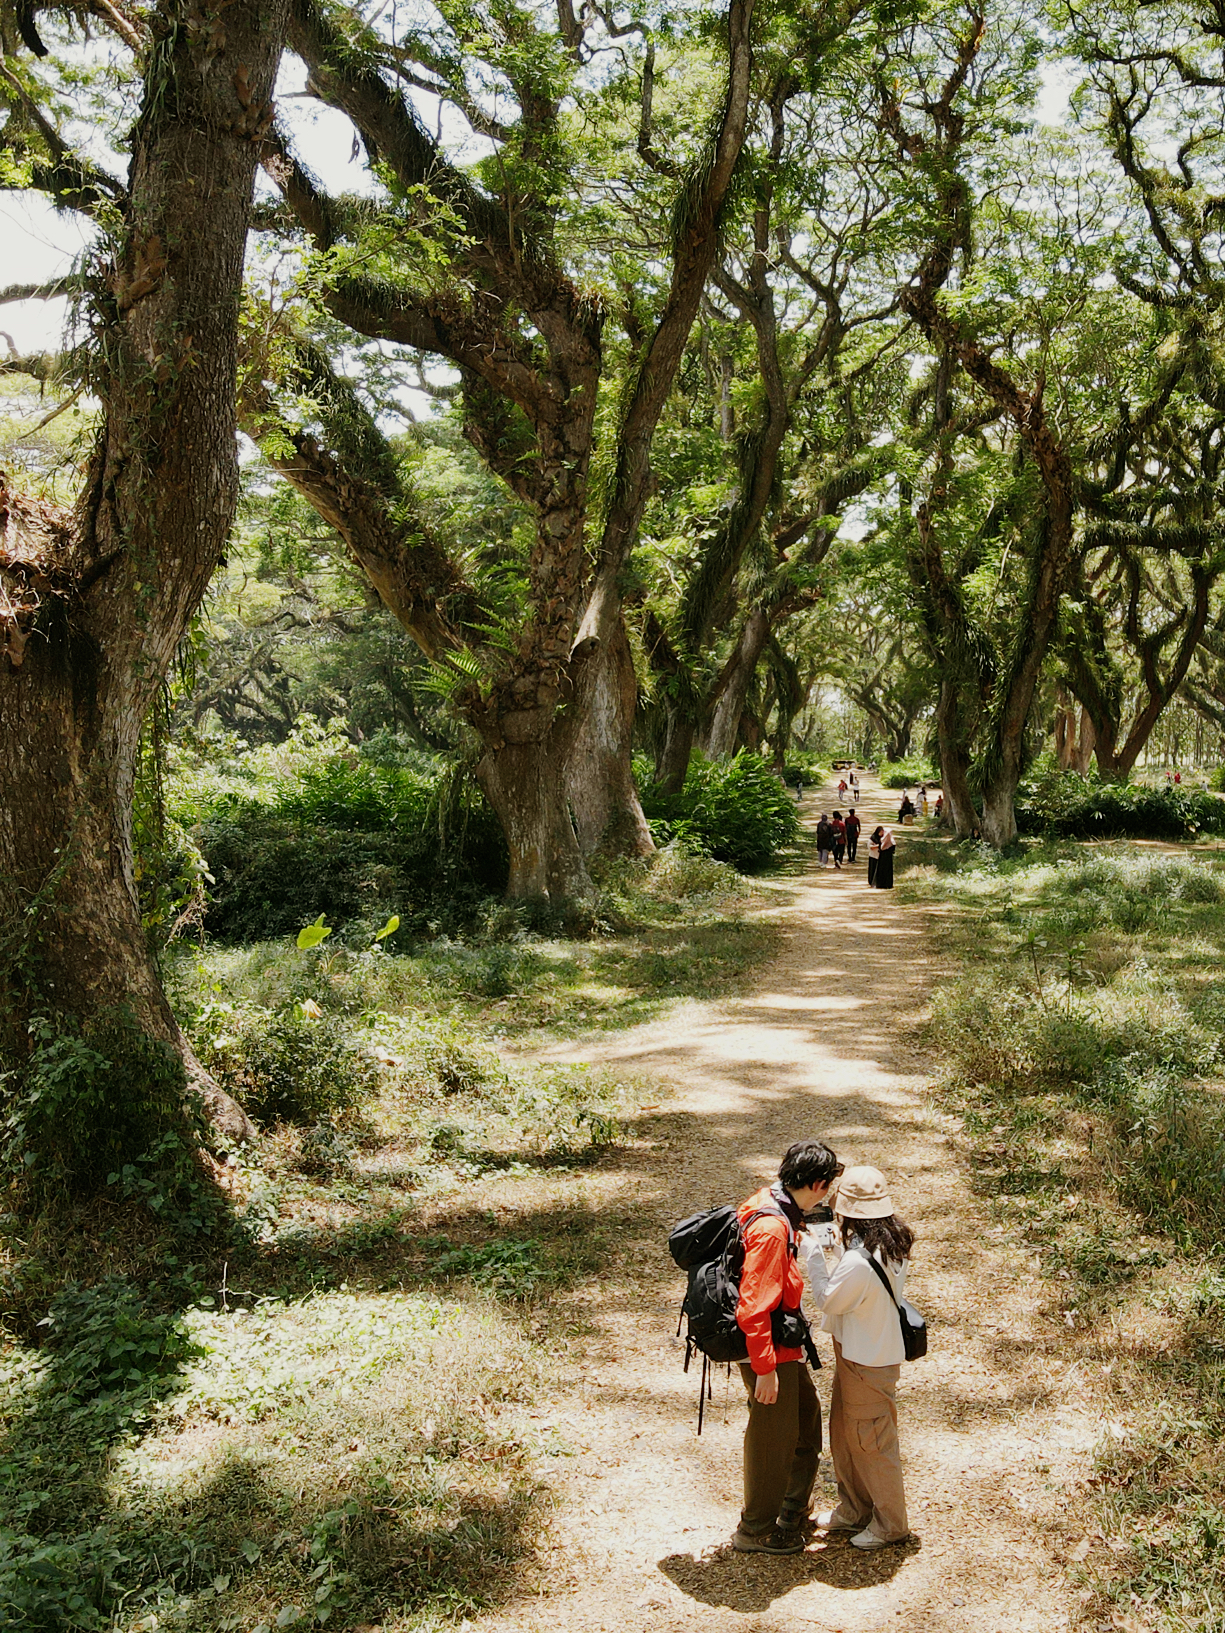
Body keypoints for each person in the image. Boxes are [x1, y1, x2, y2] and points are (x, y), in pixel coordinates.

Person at [732, 1140, 842, 1554]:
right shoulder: (772, 1228)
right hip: (766, 1349)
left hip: (778, 1346)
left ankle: (792, 1509)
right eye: (828, 1187)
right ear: (817, 1184)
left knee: (805, 1420)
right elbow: (753, 1303)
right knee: (771, 1440)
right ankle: (756, 1528)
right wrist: (764, 1368)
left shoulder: (770, 1201)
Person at [802, 1166, 914, 1550]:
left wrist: (814, 1257)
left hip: (866, 1360)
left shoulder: (857, 1261)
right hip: (864, 1352)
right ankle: (854, 1507)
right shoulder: (890, 1244)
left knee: (872, 1443)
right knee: (846, 1434)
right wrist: (838, 1248)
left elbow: (827, 1298)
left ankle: (890, 1523)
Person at [876, 824, 896, 889]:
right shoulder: (890, 842)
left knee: (884, 869)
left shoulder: (887, 838)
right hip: (886, 855)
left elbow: (882, 847)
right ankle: (885, 883)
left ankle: (884, 883)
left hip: (885, 855)